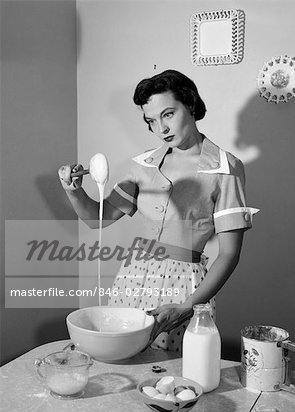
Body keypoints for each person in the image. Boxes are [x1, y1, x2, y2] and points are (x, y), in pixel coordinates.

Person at [58, 69, 259, 353]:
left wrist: (187, 307)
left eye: (168, 114)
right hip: (132, 274)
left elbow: (229, 254)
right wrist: (74, 189)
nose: (161, 128)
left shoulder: (225, 168)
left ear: (189, 104)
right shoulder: (144, 165)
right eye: (151, 121)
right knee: (119, 354)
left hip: (184, 287)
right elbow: (96, 219)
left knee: (170, 368)